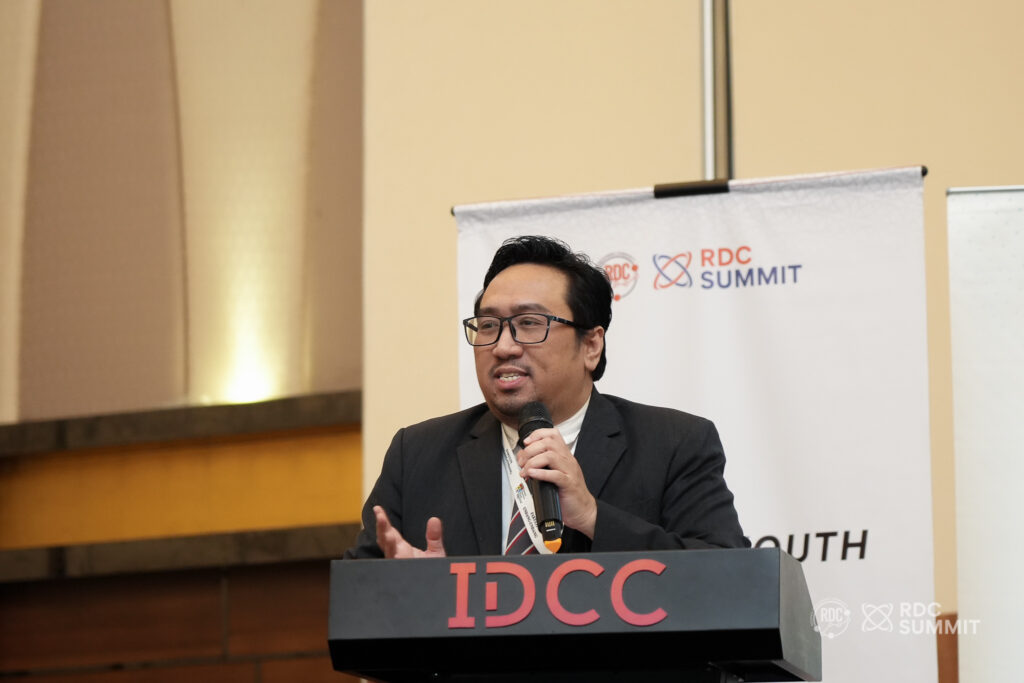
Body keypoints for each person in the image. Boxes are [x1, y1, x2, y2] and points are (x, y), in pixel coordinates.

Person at [344, 235, 748, 559]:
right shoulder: (416, 454)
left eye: (529, 323)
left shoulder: (674, 444)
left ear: (591, 345)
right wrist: (416, 591)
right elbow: (358, 597)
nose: (503, 346)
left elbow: (727, 577)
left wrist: (593, 517)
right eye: (489, 325)